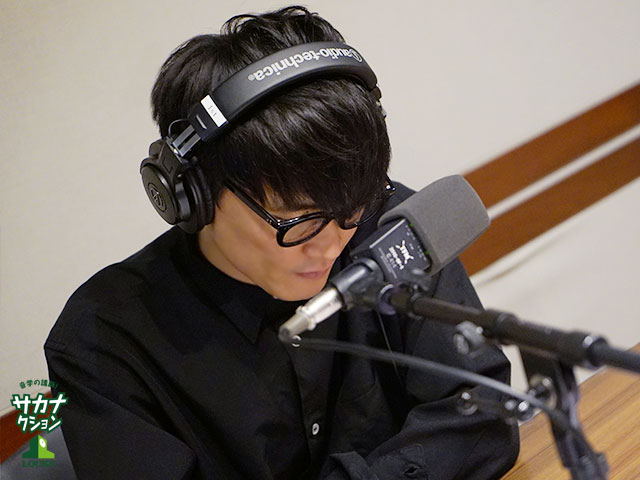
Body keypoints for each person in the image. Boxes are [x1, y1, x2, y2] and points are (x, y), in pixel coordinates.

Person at [45, 6, 519, 479]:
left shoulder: (393, 229)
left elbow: (483, 414)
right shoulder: (104, 340)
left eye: (351, 209)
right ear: (195, 196)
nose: (330, 245)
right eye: (298, 218)